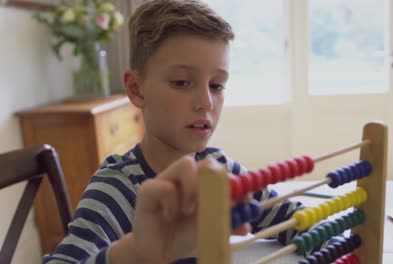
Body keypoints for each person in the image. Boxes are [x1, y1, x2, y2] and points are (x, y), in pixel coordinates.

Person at [43, 0, 302, 263]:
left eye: (216, 85)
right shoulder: (116, 189)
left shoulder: (220, 170)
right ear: (136, 88)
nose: (206, 102)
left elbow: (296, 219)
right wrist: (133, 254)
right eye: (181, 82)